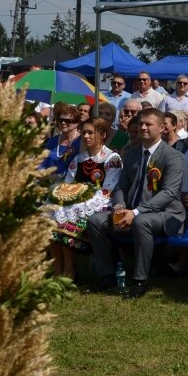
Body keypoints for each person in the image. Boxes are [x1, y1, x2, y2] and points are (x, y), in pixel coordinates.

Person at [87, 108, 186, 298]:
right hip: (132, 211)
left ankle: (141, 280)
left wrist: (136, 212)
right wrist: (120, 207)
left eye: (148, 124)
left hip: (166, 214)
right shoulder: (132, 154)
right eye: (140, 123)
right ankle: (107, 275)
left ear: (162, 127)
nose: (142, 127)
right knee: (95, 221)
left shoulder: (173, 157)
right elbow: (121, 186)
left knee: (142, 222)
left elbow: (169, 193)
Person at [49, 117, 122, 279]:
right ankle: (57, 269)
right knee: (51, 220)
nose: (86, 136)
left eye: (91, 133)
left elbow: (107, 191)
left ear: (103, 134)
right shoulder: (79, 159)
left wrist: (79, 202)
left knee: (65, 225)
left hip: (100, 207)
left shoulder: (112, 159)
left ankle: (69, 271)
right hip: (76, 204)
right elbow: (69, 183)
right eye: (84, 133)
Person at [41, 104, 80, 179]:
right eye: (60, 120)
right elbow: (42, 162)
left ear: (77, 122)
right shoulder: (52, 141)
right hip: (47, 181)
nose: (63, 123)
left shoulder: (82, 142)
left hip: (71, 183)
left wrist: (58, 176)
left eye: (68, 121)